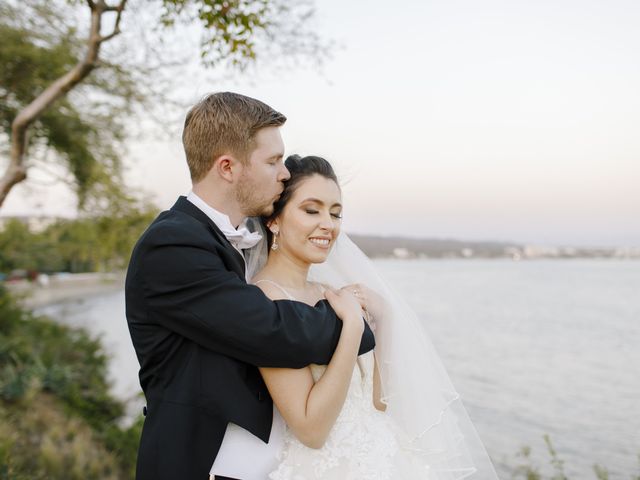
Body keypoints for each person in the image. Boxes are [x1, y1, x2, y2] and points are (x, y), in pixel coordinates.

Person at [125, 93, 375, 480]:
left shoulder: (234, 242)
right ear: (227, 167)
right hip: (198, 464)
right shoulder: (172, 244)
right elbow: (273, 329)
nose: (285, 174)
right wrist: (351, 318)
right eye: (273, 161)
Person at [249, 155, 500, 479]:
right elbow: (311, 430)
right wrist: (352, 326)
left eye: (335, 213)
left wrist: (385, 322)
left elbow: (378, 402)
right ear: (274, 220)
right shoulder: (266, 300)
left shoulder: (329, 292)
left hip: (384, 459)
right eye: (312, 210)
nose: (328, 224)